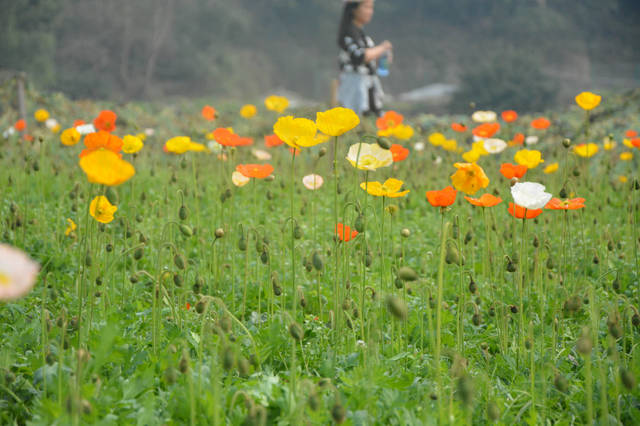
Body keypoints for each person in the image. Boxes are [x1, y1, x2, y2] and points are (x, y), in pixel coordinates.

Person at [337, 0, 392, 117]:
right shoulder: (348, 32)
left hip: (368, 86)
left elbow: (369, 59)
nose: (370, 12)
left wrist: (382, 57)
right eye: (367, 7)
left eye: (371, 8)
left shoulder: (360, 34)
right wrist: (382, 47)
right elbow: (360, 57)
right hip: (354, 88)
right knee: (356, 120)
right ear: (354, 9)